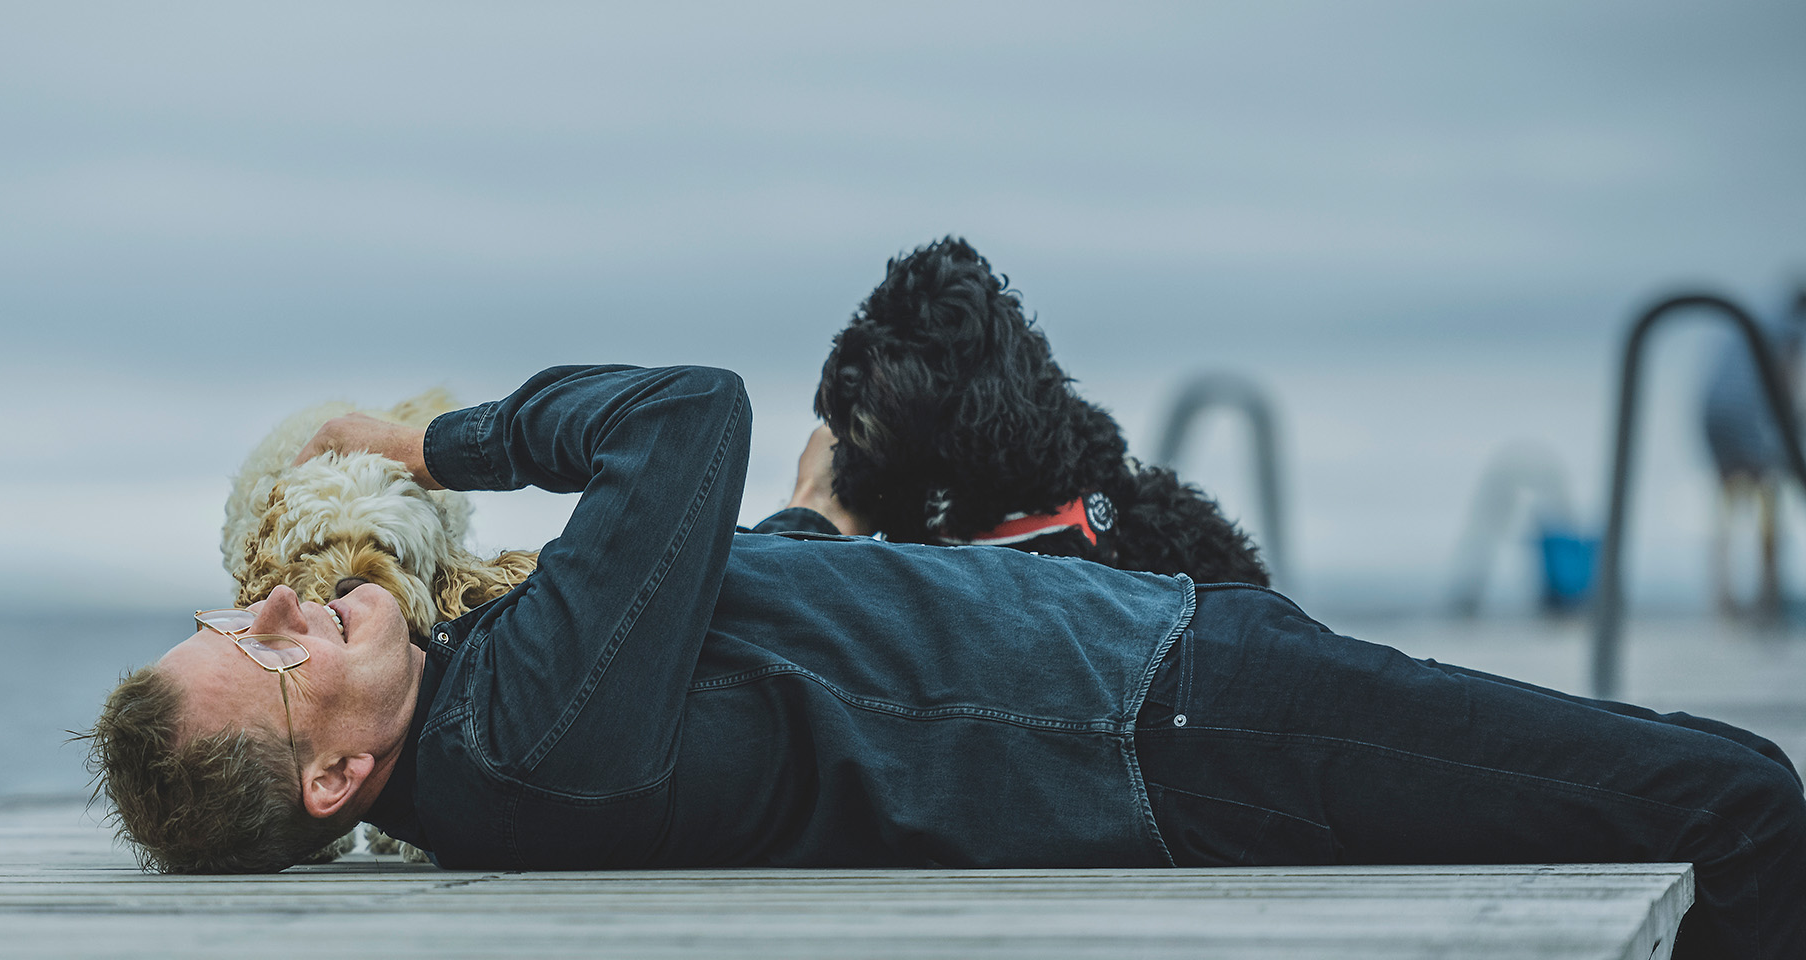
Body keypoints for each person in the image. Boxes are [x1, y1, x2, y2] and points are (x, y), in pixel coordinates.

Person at [90, 364, 1804, 959]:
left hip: (1164, 673)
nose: (288, 606)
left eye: (240, 605)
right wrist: (427, 440)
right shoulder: (526, 731)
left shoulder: (497, 712)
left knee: (1635, 774)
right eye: (264, 646)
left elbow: (743, 683)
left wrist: (813, 534)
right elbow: (680, 412)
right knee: (1733, 798)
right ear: (330, 778)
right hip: (1163, 724)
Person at [1701, 286, 1806, 620]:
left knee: (1728, 501)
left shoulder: (1756, 318)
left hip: (1712, 410)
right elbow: (1783, 378)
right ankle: (1768, 596)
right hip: (1747, 413)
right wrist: (1791, 426)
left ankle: (1723, 597)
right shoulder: (1791, 327)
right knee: (1767, 496)